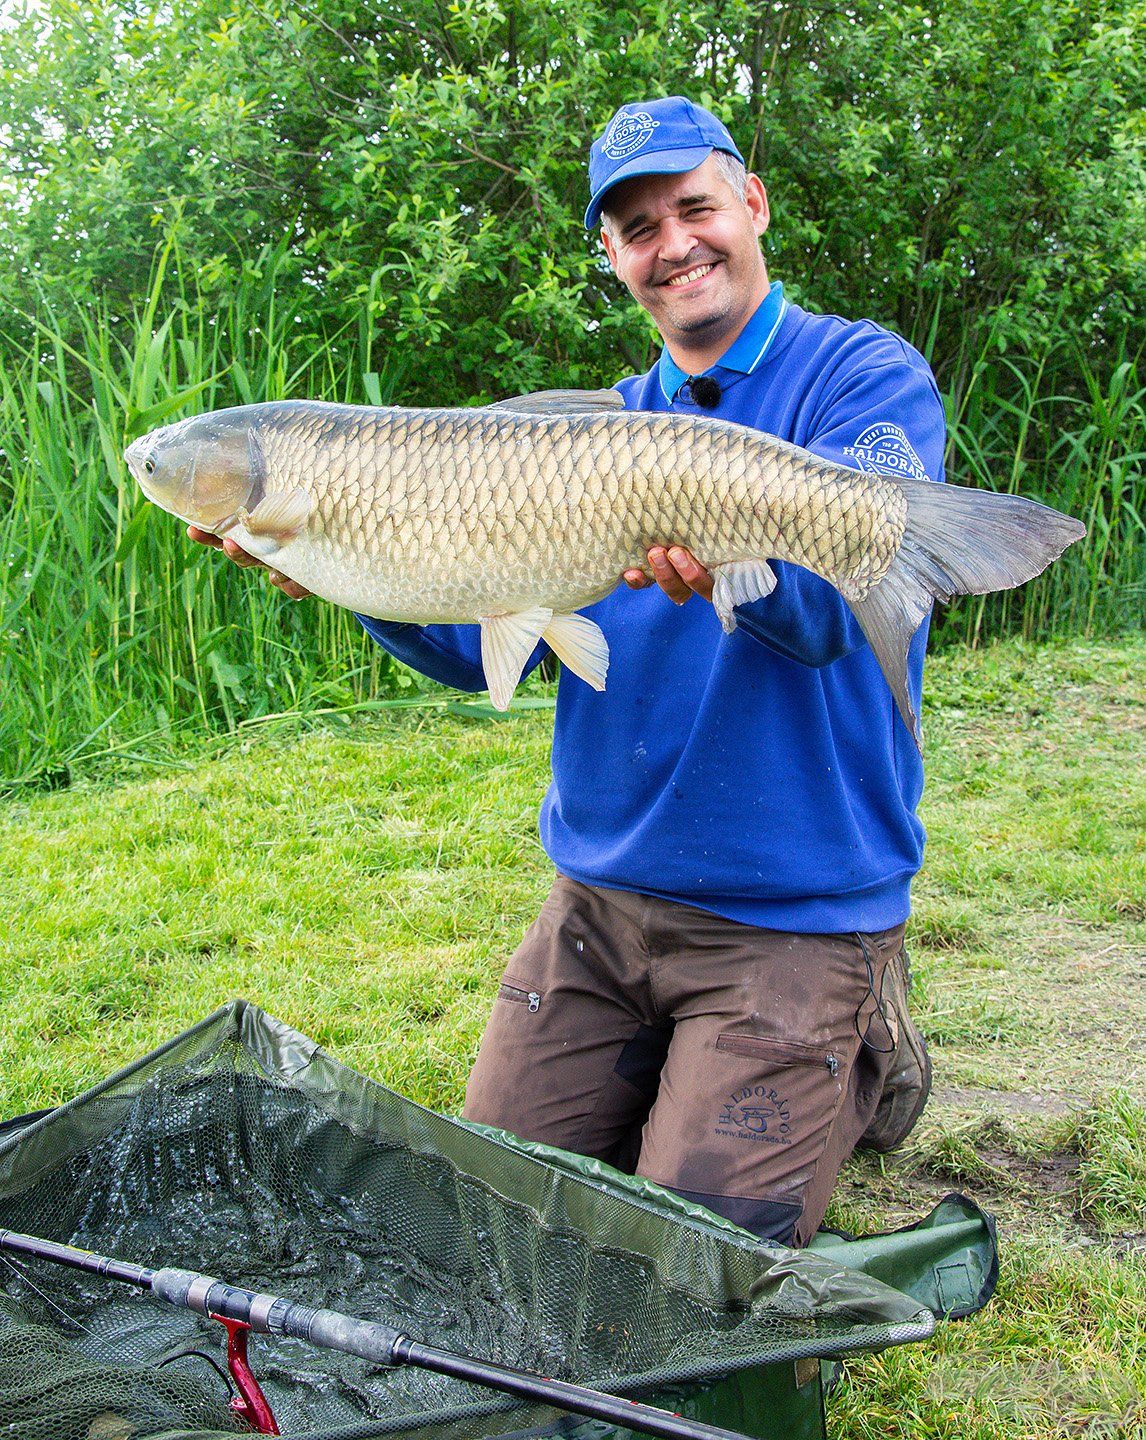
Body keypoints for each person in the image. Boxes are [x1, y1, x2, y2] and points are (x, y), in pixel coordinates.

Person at [190, 96, 936, 1249]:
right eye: (638, 227)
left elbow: (841, 623)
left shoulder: (861, 375)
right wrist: (338, 574)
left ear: (752, 203)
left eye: (693, 206)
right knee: (491, 1224)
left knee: (687, 1266)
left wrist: (745, 563)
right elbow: (462, 639)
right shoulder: (594, 431)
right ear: (612, 256)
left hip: (793, 907)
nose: (673, 242)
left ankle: (859, 1042)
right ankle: (698, 1070)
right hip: (601, 901)